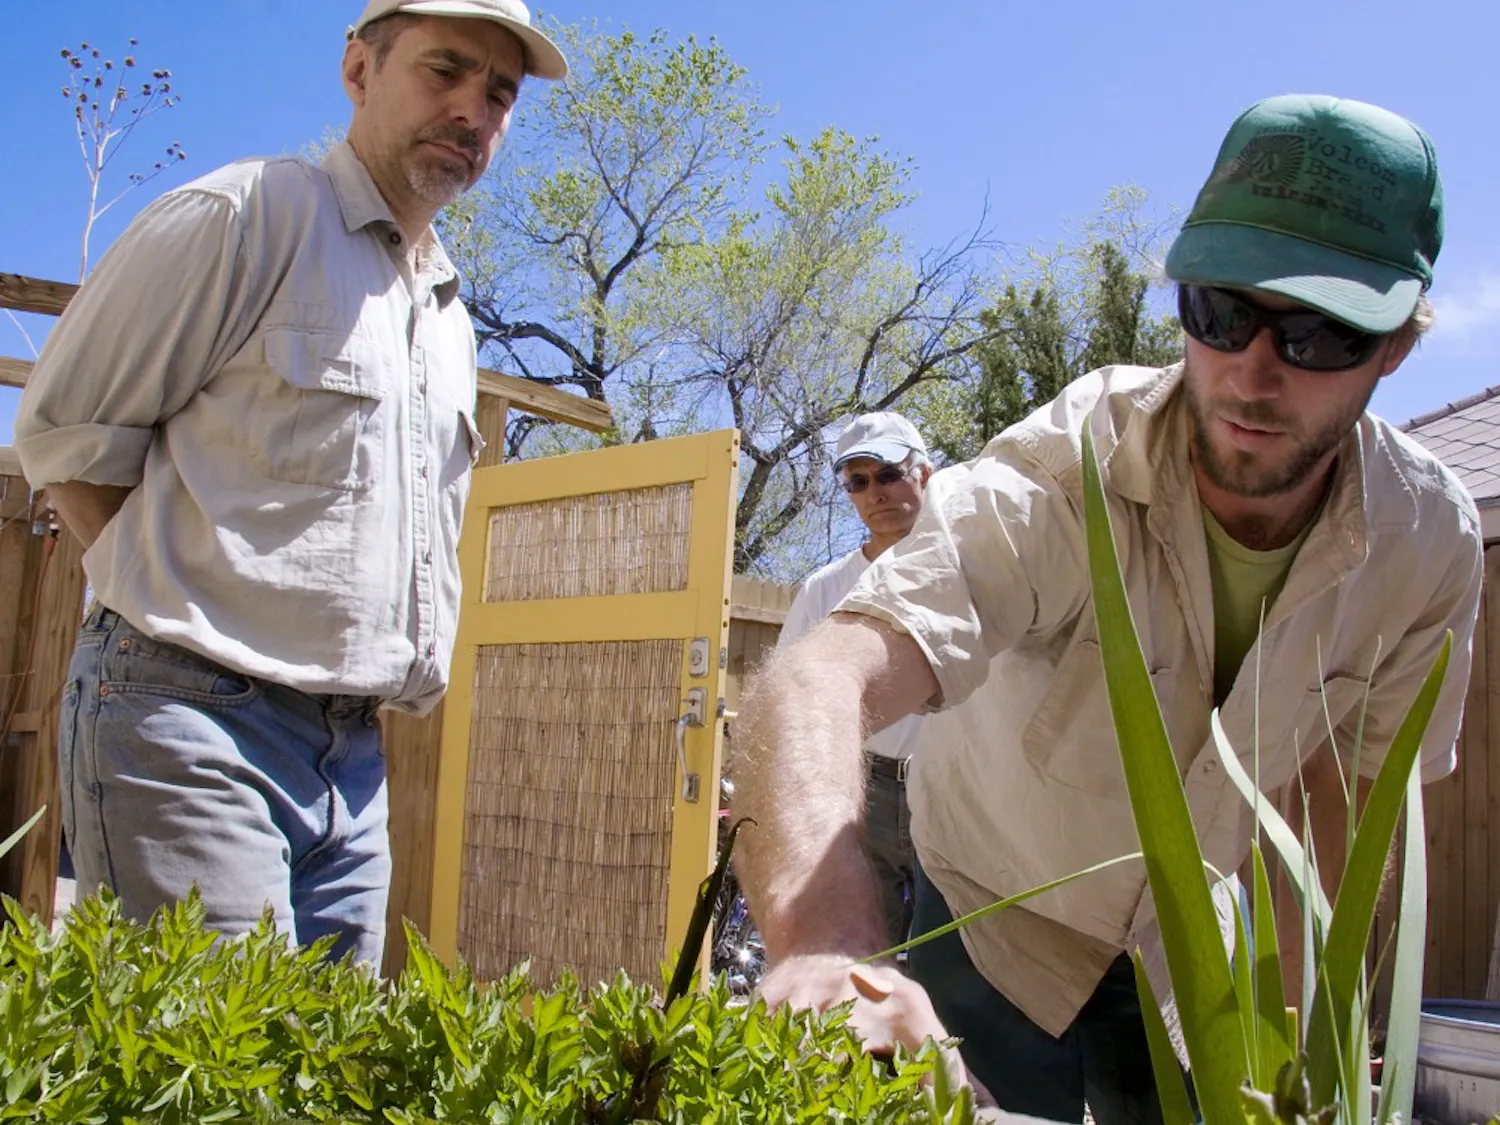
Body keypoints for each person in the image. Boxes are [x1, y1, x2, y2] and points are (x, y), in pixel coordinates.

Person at [733, 94, 1482, 1125]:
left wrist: (1306, 1043)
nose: (1253, 375)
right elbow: (828, 672)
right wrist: (827, 942)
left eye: (1319, 333)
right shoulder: (1066, 466)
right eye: (1220, 310)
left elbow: (1343, 805)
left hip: (1188, 956)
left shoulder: (1426, 547)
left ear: (1397, 344)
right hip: (989, 909)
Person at [14, 0, 567, 965]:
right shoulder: (245, 216)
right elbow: (66, 432)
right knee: (219, 1085)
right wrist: (164, 599)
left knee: (324, 1078)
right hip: (191, 725)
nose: (473, 111)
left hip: (354, 761)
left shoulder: (445, 314)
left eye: (499, 93)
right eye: (444, 71)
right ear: (359, 69)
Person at [775, 412, 933, 948]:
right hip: (864, 787)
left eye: (888, 474)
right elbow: (791, 697)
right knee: (868, 951)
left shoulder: (967, 566)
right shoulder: (825, 590)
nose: (874, 493)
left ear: (924, 475)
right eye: (858, 482)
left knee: (959, 953)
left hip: (955, 782)